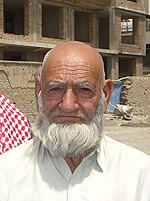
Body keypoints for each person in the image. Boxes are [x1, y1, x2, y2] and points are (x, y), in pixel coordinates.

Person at [0, 41, 150, 201]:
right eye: (55, 89)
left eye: (84, 89)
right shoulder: (6, 172)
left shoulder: (140, 174)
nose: (68, 105)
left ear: (105, 95)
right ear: (38, 92)